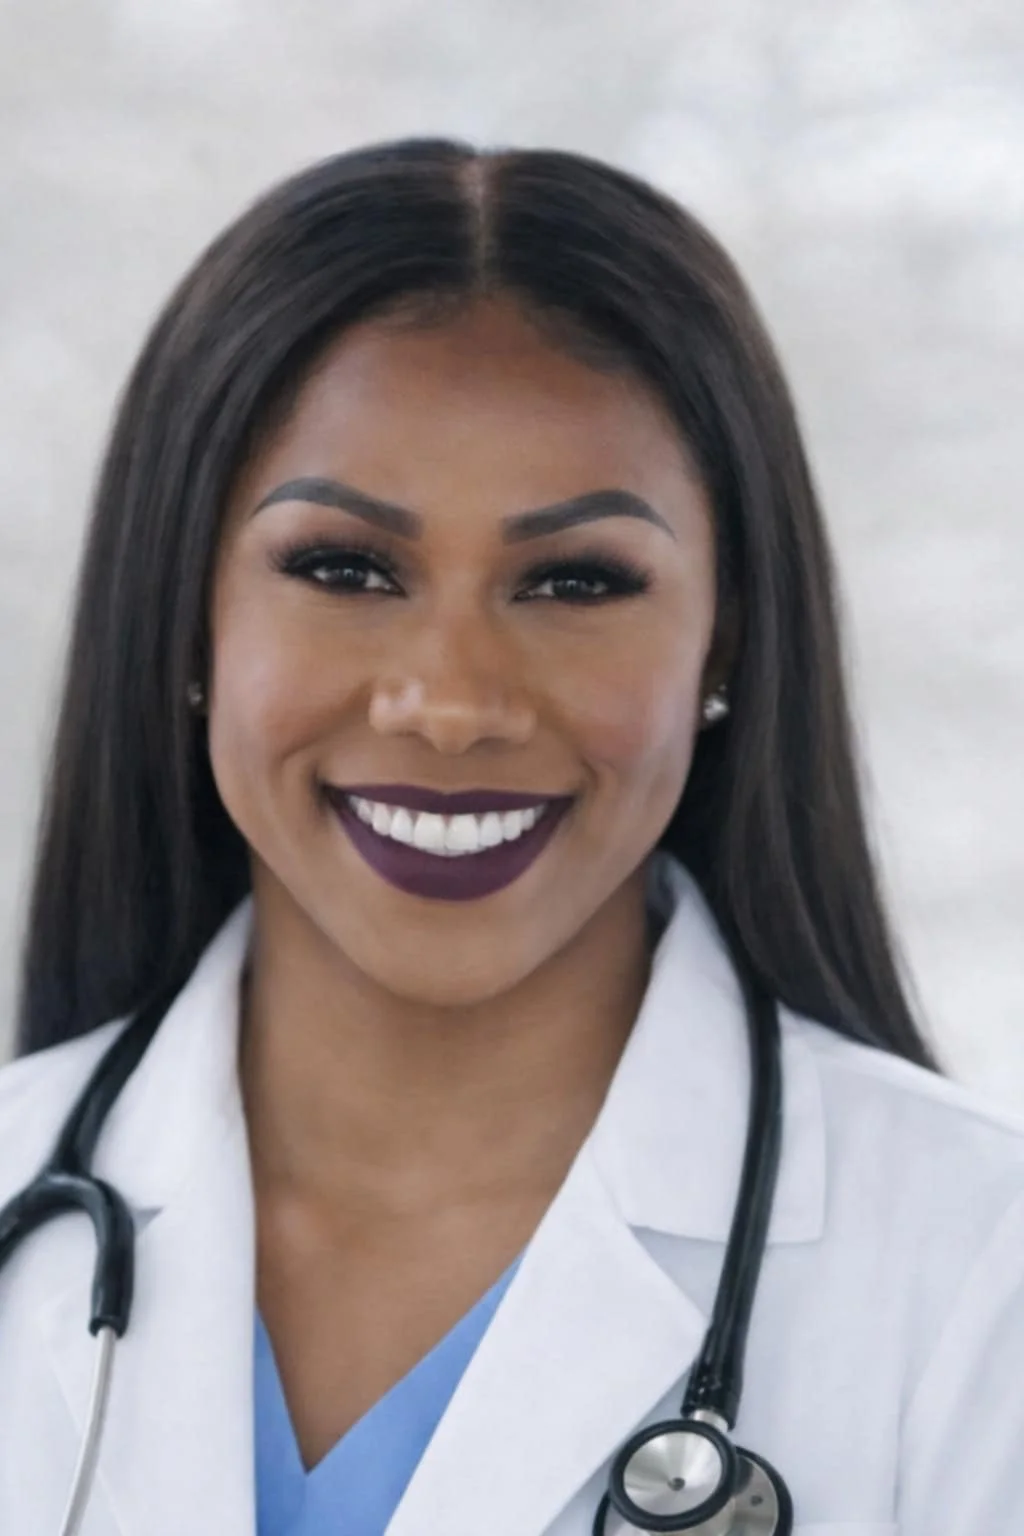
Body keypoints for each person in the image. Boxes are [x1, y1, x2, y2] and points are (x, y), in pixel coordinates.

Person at [0, 139, 1021, 1536]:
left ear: (726, 638)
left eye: (577, 581)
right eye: (345, 569)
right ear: (182, 613)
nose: (452, 704)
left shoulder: (980, 1277)